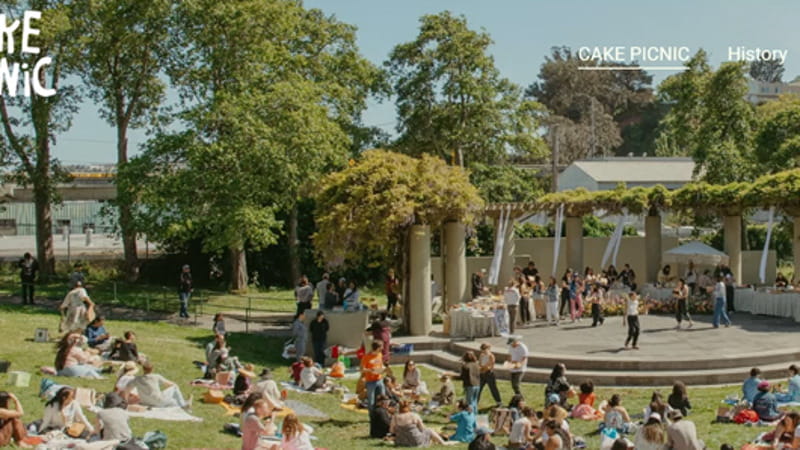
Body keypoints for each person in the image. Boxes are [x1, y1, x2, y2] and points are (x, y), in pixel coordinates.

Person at [123, 362, 190, 409]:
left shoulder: (137, 379)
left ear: (143, 369)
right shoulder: (156, 377)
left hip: (145, 402)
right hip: (158, 402)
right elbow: (170, 384)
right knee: (174, 387)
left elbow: (127, 389)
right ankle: (183, 405)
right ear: (152, 369)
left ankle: (184, 403)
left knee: (172, 402)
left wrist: (126, 401)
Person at [361, 341, 386, 410]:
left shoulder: (380, 354)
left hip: (379, 379)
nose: (383, 348)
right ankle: (372, 416)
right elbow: (362, 369)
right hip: (370, 382)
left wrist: (383, 368)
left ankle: (383, 413)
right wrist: (370, 370)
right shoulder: (366, 357)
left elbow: (381, 364)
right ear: (377, 348)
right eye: (381, 347)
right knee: (371, 401)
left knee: (383, 398)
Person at [478, 343, 502, 407]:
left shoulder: (491, 356)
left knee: (493, 388)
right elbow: (480, 364)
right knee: (478, 388)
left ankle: (499, 402)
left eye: (485, 349)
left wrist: (483, 367)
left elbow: (489, 367)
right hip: (482, 374)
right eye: (482, 349)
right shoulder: (481, 355)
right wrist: (480, 368)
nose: (483, 351)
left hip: (489, 374)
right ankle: (475, 401)